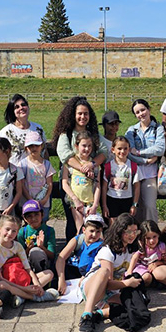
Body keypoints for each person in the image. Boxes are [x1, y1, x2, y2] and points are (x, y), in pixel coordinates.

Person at [78, 214, 143, 332]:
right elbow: (107, 284)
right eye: (129, 231)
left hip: (110, 292)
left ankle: (99, 314)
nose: (132, 235)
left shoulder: (129, 250)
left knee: (134, 305)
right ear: (119, 231)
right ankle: (86, 315)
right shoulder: (107, 250)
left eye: (135, 231)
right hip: (93, 287)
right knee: (104, 272)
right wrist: (127, 283)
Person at [53, 97, 108, 239]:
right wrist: (83, 167)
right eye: (80, 113)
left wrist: (92, 164)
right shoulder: (66, 134)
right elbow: (65, 155)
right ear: (73, 115)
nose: (83, 117)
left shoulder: (94, 135)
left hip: (90, 184)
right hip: (71, 182)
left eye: (86, 113)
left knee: (90, 220)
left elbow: (104, 152)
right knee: (73, 220)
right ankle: (71, 250)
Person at [0, 215, 58, 303]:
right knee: (1, 285)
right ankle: (34, 297)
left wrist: (37, 285)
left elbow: (28, 269)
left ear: (17, 233)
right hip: (6, 281)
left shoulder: (18, 246)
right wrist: (25, 289)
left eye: (14, 231)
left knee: (49, 273)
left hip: (20, 278)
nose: (10, 233)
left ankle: (21, 296)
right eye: (7, 229)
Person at [125, 99, 166, 223]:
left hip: (150, 175)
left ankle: (152, 235)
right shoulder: (132, 131)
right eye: (137, 112)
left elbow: (160, 149)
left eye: (143, 110)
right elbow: (128, 153)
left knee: (149, 206)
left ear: (148, 109)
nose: (141, 114)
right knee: (134, 208)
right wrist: (146, 160)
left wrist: (139, 152)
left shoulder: (158, 128)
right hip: (134, 173)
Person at [61, 132, 101, 233]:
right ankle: (80, 248)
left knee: (93, 230)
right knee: (80, 230)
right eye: (84, 146)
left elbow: (98, 185)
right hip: (76, 203)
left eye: (89, 146)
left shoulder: (94, 165)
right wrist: (75, 199)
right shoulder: (70, 163)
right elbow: (64, 183)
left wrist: (95, 205)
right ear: (76, 146)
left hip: (90, 203)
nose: (87, 149)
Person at [56, 214, 105, 295]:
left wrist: (87, 276)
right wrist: (61, 279)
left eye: (98, 232)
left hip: (90, 272)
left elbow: (101, 266)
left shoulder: (102, 245)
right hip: (75, 269)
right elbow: (61, 258)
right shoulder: (78, 240)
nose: (94, 235)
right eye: (91, 231)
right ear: (84, 230)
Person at [102, 137, 142, 226]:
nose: (122, 151)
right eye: (119, 148)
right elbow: (104, 187)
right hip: (112, 199)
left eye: (125, 148)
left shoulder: (133, 166)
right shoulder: (108, 166)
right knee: (113, 225)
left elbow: (137, 187)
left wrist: (134, 204)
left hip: (127, 200)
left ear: (129, 149)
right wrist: (104, 205)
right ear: (113, 150)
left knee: (126, 226)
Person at [17, 131, 55, 222]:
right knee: (28, 221)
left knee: (42, 221)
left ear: (41, 146)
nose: (34, 148)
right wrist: (30, 200)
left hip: (43, 201)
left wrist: (45, 199)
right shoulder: (22, 164)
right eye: (31, 146)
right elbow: (21, 184)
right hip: (27, 200)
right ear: (26, 148)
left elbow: (49, 183)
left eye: (36, 145)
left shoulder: (46, 164)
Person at [0, 93, 45, 163]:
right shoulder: (6, 132)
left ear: (28, 107)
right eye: (17, 107)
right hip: (14, 172)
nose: (21, 108)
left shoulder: (38, 128)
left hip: (36, 172)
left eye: (23, 105)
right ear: (13, 112)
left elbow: (44, 151)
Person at [16, 200, 56, 280]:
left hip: (44, 262)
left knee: (36, 252)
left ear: (42, 215)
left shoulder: (49, 230)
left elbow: (52, 256)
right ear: (24, 218)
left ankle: (42, 275)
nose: (33, 218)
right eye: (29, 216)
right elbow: (19, 256)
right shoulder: (22, 232)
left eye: (36, 214)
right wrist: (29, 248)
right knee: (33, 251)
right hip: (27, 264)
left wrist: (41, 247)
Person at [127, 220, 165, 287]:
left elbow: (165, 260)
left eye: (154, 236)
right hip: (141, 267)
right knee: (147, 277)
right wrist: (129, 271)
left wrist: (156, 263)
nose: (152, 241)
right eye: (148, 238)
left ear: (158, 235)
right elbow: (134, 258)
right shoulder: (142, 245)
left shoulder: (161, 246)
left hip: (155, 268)